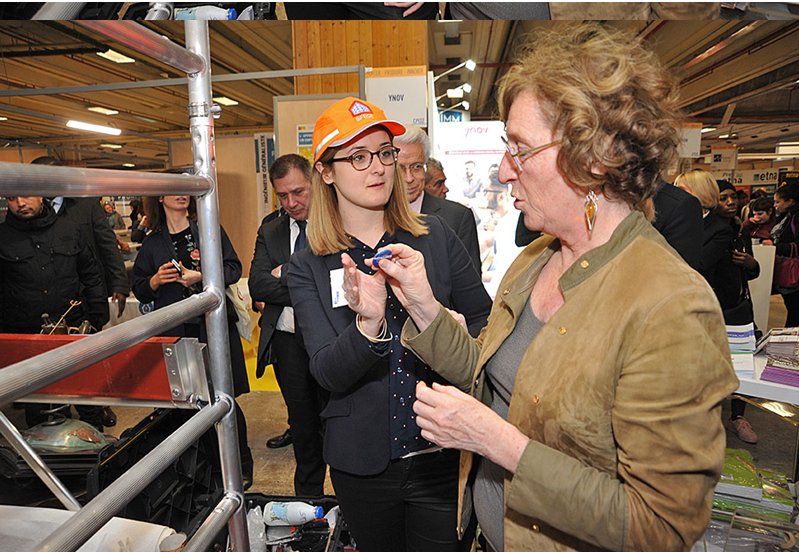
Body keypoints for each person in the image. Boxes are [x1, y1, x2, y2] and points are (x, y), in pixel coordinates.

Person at [359, 26, 737, 551]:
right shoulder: (536, 260)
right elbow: (490, 374)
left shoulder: (672, 306)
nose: (503, 171)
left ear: (593, 159)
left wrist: (496, 442)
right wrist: (422, 304)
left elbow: (661, 526)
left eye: (519, 148)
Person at [287, 97, 492, 552]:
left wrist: (450, 325)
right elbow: (325, 372)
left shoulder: (433, 237)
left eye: (384, 152)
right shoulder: (308, 265)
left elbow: (485, 321)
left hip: (442, 449)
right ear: (325, 171)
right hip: (362, 461)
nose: (377, 167)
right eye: (358, 157)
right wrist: (369, 323)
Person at [131, 195, 254, 488]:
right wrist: (155, 281)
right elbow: (139, 288)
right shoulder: (152, 244)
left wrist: (201, 276)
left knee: (225, 398)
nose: (181, 194)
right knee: (189, 405)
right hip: (178, 332)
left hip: (214, 327)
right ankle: (207, 469)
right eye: (175, 188)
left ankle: (241, 464)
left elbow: (233, 269)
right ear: (161, 198)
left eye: (186, 187)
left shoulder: (208, 230)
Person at [249, 153, 328, 497]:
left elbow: (330, 286)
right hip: (286, 342)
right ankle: (308, 500)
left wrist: (285, 276)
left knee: (336, 422)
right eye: (283, 195)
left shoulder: (333, 224)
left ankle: (348, 500)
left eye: (299, 192)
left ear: (313, 183)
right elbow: (257, 285)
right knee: (303, 424)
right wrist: (302, 281)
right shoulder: (271, 229)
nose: (292, 202)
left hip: (327, 339)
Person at [0, 196, 110, 430]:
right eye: (12, 198)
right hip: (27, 338)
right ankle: (45, 463)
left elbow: (91, 274)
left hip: (73, 330)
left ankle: (96, 459)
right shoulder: (2, 238)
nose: (20, 203)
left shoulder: (69, 230)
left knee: (88, 403)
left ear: (41, 195)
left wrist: (98, 315)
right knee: (38, 409)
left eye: (27, 195)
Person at [678, 171, 759, 444]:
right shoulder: (688, 222)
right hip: (701, 308)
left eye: (681, 188)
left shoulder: (723, 228)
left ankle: (735, 418)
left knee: (735, 369)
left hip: (728, 309)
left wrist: (750, 264)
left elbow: (699, 266)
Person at [394, 125, 482, 274]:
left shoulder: (457, 218)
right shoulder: (372, 215)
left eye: (416, 167)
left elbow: (471, 290)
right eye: (400, 169)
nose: (409, 178)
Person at [773, 183, 799, 327]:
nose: (775, 206)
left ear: (790, 201)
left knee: (794, 311)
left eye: (778, 202)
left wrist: (776, 247)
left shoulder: (794, 217)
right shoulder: (788, 216)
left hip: (793, 271)